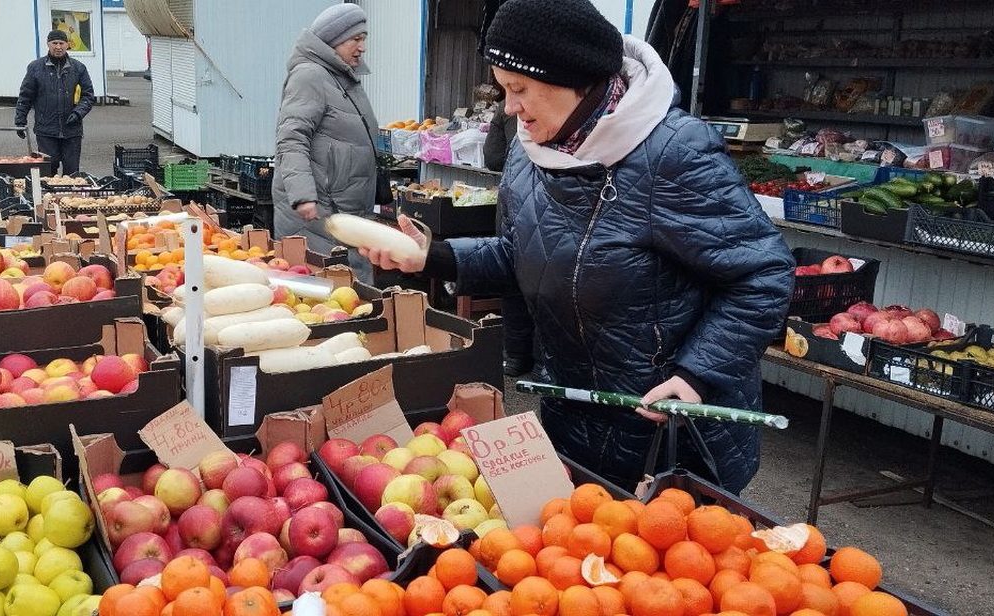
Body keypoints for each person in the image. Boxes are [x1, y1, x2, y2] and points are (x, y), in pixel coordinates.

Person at [358, 0, 795, 494]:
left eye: (518, 89)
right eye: (503, 89)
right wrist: (434, 256)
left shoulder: (672, 154)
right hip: (573, 420)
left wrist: (698, 373)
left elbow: (763, 274)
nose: (509, 108)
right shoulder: (533, 155)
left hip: (671, 433)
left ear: (578, 81)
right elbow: (524, 254)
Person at [273, 3, 379, 283]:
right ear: (334, 40)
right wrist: (303, 195)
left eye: (364, 38)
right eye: (356, 39)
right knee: (328, 286)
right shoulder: (310, 76)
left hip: (341, 206)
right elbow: (291, 137)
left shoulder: (339, 76)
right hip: (318, 211)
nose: (362, 46)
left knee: (346, 290)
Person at [484, 106, 536, 377]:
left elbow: (492, 158)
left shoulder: (508, 115)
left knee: (512, 278)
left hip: (513, 210)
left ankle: (516, 356)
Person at [14, 30, 95, 175]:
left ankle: (70, 197)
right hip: (46, 130)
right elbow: (26, 96)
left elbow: (88, 96)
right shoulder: (35, 68)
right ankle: (48, 197)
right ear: (48, 44)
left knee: (72, 172)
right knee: (48, 169)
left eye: (61, 43)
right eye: (54, 43)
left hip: (72, 130)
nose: (58, 47)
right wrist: (20, 120)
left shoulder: (79, 68)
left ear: (67, 45)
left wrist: (78, 113)